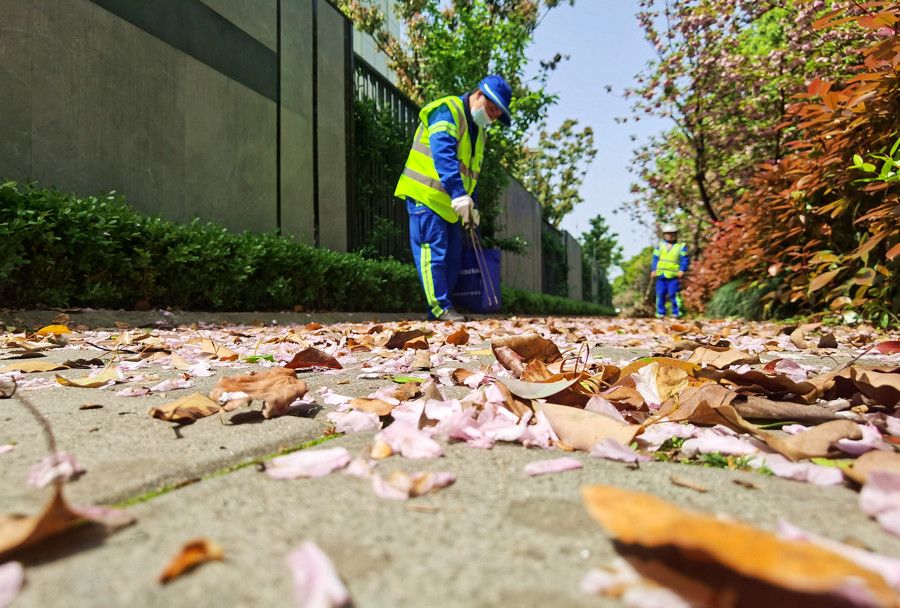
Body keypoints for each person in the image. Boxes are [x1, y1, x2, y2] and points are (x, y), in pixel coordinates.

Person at [394, 75, 513, 322]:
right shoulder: (447, 110)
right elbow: (443, 155)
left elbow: (471, 175)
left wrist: (472, 208)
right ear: (479, 94)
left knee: (453, 260)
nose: (491, 118)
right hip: (425, 197)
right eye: (491, 110)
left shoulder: (479, 134)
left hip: (450, 206)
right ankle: (439, 309)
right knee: (433, 255)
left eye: (496, 116)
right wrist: (459, 194)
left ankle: (442, 309)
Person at [650, 222, 689, 318]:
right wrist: (653, 270)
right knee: (660, 294)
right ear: (664, 235)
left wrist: (682, 270)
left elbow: (685, 259)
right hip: (661, 274)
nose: (670, 235)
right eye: (667, 233)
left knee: (674, 294)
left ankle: (676, 313)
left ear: (675, 234)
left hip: (673, 275)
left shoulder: (681, 246)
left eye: (672, 233)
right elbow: (655, 258)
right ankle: (660, 313)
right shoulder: (660, 245)